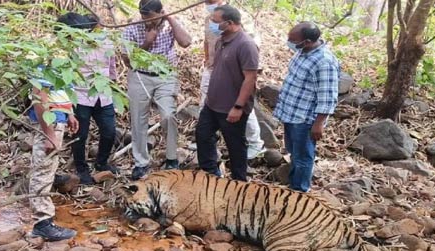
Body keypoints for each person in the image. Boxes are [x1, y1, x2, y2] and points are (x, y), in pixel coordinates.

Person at [123, 0, 192, 180]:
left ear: (161, 12)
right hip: (139, 75)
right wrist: (147, 43)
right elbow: (128, 61)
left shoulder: (170, 25)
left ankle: (171, 158)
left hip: (165, 76)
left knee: (168, 115)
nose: (146, 21)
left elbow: (185, 42)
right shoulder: (132, 27)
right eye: (143, 16)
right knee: (138, 119)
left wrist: (169, 18)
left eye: (151, 17)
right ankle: (141, 162)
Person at [196, 5, 259, 181]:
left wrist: (238, 106)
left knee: (235, 145)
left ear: (230, 23)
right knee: (202, 135)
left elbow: (250, 78)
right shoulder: (221, 40)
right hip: (212, 104)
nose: (212, 25)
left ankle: (239, 182)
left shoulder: (246, 45)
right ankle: (210, 173)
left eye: (215, 22)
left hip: (231, 107)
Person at [273, 22, 339, 192]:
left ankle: (300, 191)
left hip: (304, 119)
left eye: (293, 40)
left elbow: (327, 96)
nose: (289, 42)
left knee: (303, 157)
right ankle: (293, 184)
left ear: (307, 41)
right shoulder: (303, 52)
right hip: (291, 113)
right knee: (294, 153)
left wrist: (318, 124)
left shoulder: (324, 62)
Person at [56, 12, 118, 185]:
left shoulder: (106, 41)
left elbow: (111, 64)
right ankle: (81, 169)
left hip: (103, 95)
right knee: (80, 135)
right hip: (81, 95)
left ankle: (101, 162)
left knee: (109, 131)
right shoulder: (73, 44)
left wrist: (113, 84)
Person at [27, 66, 79, 240]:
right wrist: (49, 133)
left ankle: (44, 221)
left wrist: (69, 113)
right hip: (50, 122)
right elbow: (38, 96)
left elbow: (61, 89)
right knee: (43, 170)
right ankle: (42, 223)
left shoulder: (60, 55)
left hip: (58, 118)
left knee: (47, 169)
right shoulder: (42, 57)